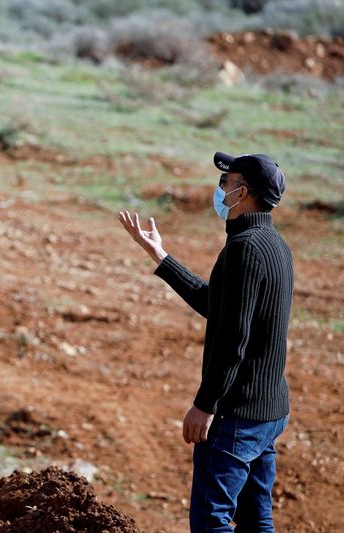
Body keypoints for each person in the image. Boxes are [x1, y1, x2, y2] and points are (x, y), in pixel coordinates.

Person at [118, 151, 293, 531]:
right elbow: (217, 305)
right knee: (256, 520)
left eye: (225, 182)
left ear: (242, 193)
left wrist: (205, 404)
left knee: (211, 521)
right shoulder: (274, 244)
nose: (219, 188)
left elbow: (233, 339)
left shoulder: (245, 249)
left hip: (236, 415)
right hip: (268, 410)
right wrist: (160, 255)